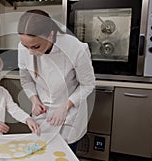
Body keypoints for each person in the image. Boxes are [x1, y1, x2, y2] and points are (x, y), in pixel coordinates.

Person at [17, 9, 95, 153]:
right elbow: (26, 79)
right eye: (25, 46)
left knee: (64, 159)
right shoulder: (25, 47)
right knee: (41, 157)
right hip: (42, 114)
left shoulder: (75, 48)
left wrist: (65, 107)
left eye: (36, 47)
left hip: (69, 114)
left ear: (50, 35)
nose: (30, 52)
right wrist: (34, 100)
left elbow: (87, 84)